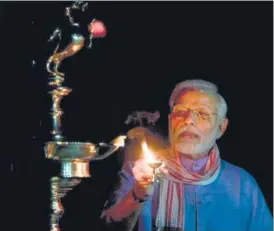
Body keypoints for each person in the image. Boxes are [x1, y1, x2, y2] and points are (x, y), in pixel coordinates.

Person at [99, 79, 273, 231]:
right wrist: (137, 194)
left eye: (202, 114)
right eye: (181, 112)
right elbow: (107, 226)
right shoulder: (138, 172)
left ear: (221, 127)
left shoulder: (242, 184)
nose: (188, 120)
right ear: (169, 121)